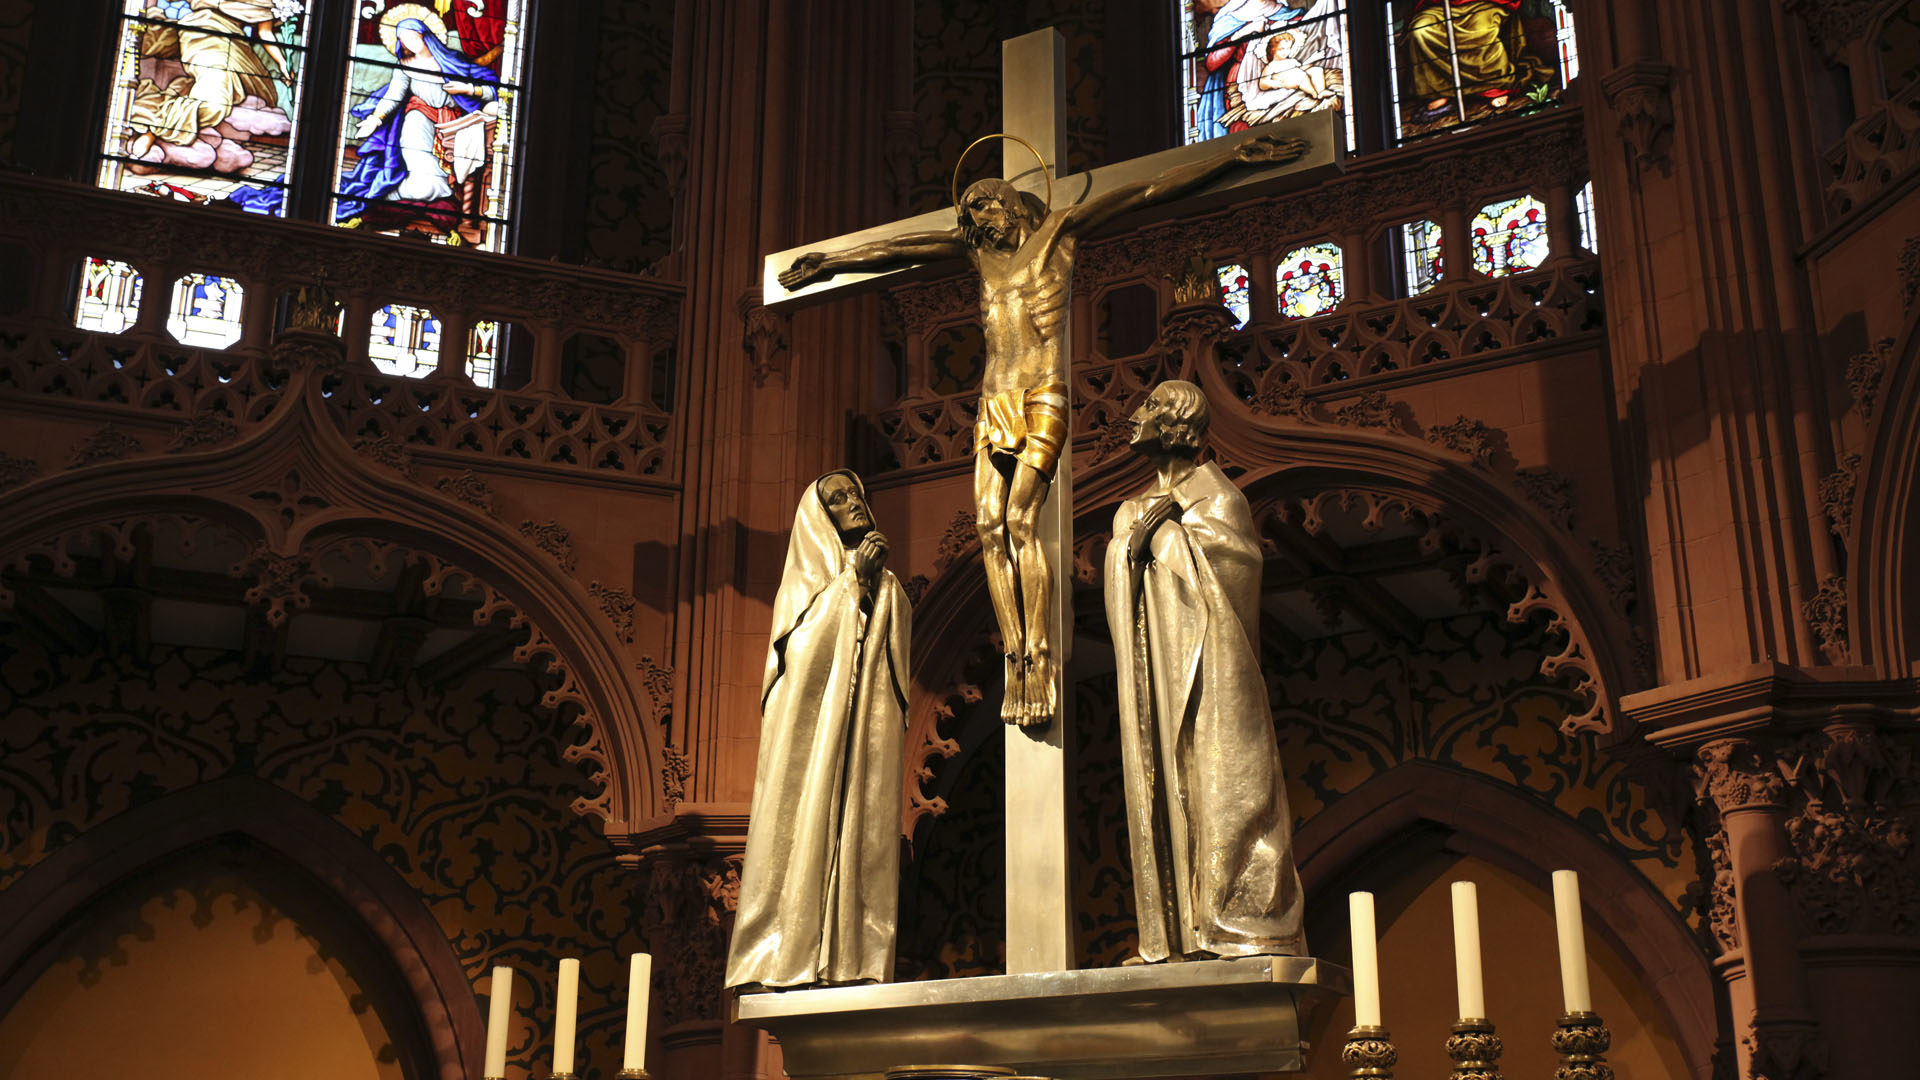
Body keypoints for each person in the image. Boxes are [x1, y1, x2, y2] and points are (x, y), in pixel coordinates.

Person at [779, 134, 1309, 730]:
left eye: (984, 205)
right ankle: (1013, 653)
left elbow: (1147, 189)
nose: (974, 219)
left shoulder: (1058, 234)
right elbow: (905, 247)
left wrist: (1231, 158)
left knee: (1023, 521)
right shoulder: (978, 258)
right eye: (969, 210)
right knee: (988, 528)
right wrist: (832, 261)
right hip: (993, 400)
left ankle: (1037, 654)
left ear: (1013, 205)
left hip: (1043, 395)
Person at [1103, 381, 1305, 962]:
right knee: (1167, 784)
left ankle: (1235, 923)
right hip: (1158, 673)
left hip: (1216, 666)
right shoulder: (1135, 506)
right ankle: (1178, 931)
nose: (1133, 416)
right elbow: (1123, 568)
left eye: (1146, 407)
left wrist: (1167, 535)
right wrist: (1138, 539)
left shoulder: (1218, 497)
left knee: (1228, 782)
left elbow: (1237, 575)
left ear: (1173, 424)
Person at [725, 471, 912, 991]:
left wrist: (871, 586)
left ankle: (853, 952)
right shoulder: (805, 586)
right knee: (804, 828)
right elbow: (800, 660)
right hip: (812, 748)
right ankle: (784, 951)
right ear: (820, 517)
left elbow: (888, 668)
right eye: (838, 500)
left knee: (863, 825)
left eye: (856, 494)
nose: (853, 503)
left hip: (861, 741)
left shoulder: (889, 586)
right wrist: (853, 581)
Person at [336, 16, 502, 245]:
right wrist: (375, 119)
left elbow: (494, 89)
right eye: (404, 40)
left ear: (425, 37)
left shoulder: (453, 60)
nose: (410, 44)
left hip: (454, 121)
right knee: (416, 157)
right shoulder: (405, 65)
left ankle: (414, 197)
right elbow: (393, 95)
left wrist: (468, 88)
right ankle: (419, 193)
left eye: (413, 38)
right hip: (418, 116)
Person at [1404, 0, 1544, 125]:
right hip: (1440, 6)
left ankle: (1493, 86)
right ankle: (1440, 92)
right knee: (1420, 30)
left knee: (1482, 30)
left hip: (1484, 3)